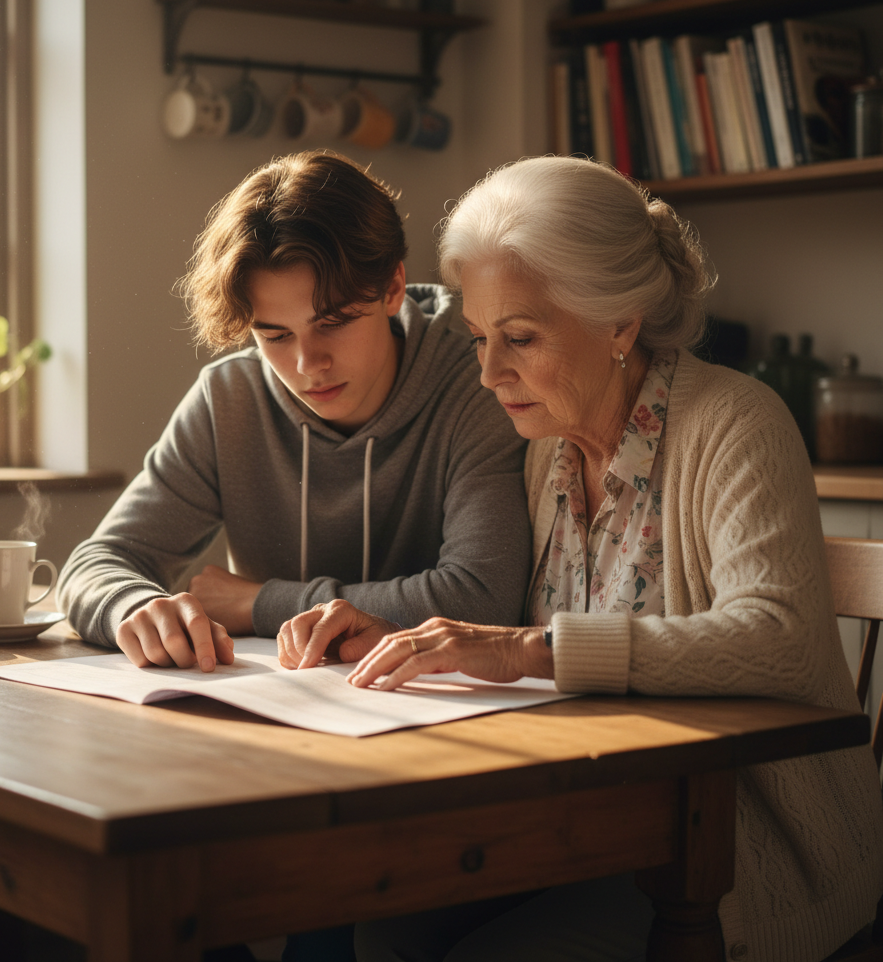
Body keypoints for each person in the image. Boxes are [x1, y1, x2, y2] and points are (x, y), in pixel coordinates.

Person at [289, 156, 883, 962]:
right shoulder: (548, 452)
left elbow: (776, 636)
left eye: (521, 339)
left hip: (738, 850)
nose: (491, 373)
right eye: (478, 340)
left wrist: (532, 649)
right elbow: (509, 634)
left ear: (621, 323)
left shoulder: (738, 423)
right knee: (379, 931)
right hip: (599, 823)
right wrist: (387, 625)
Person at [57, 149, 531, 673]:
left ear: (392, 288)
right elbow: (95, 563)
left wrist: (257, 603)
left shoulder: (478, 380)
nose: (308, 364)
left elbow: (484, 597)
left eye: (333, 322)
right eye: (275, 335)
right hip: (278, 716)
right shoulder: (230, 400)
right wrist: (137, 607)